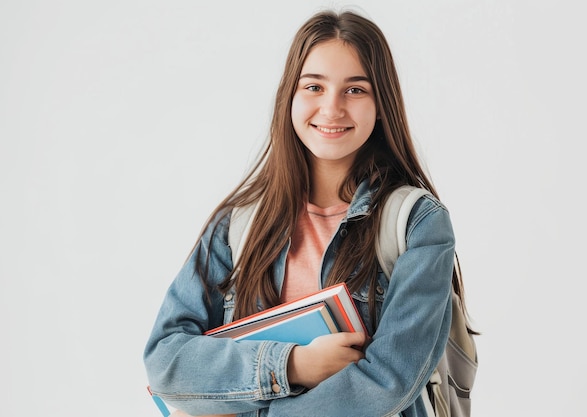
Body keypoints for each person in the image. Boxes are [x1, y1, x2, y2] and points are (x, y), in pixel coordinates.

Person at [144, 9, 470, 417]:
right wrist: (294, 365)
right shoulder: (237, 224)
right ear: (290, 98)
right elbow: (165, 362)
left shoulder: (418, 224)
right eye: (314, 86)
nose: (331, 109)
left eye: (355, 90)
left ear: (382, 104)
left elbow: (391, 381)